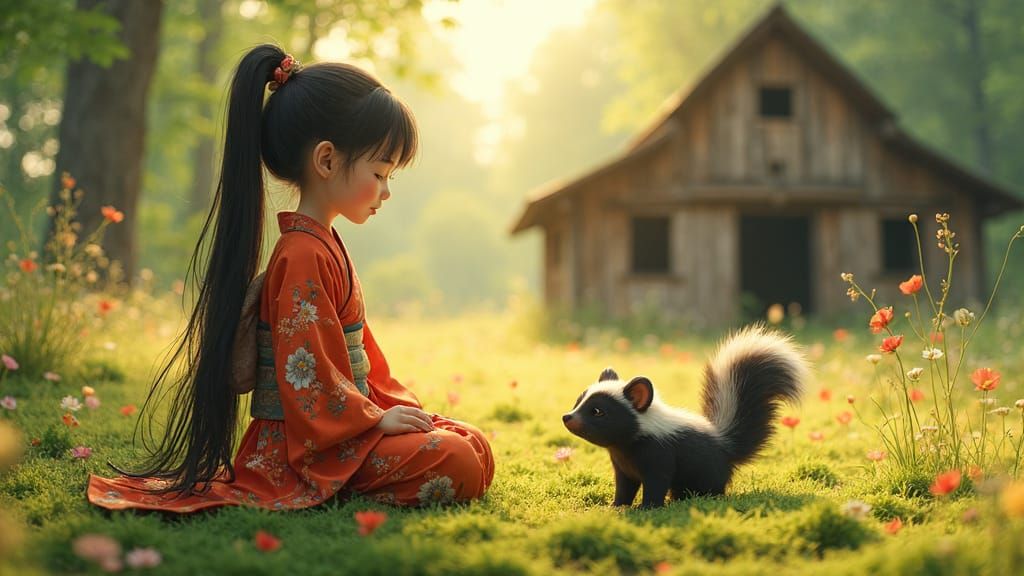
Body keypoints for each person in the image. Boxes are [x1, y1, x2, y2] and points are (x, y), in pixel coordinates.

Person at [87, 45, 494, 512]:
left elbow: (360, 363)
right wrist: (374, 422)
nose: (386, 191)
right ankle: (345, 484)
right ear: (326, 161)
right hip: (304, 451)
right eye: (380, 172)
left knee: (473, 442)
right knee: (459, 459)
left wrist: (383, 412)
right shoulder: (302, 255)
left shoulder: (322, 245)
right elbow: (312, 382)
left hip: (349, 429)